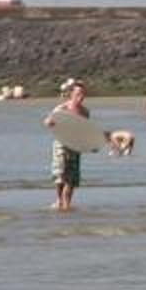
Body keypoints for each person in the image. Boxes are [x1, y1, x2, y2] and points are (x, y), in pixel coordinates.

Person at [46, 81, 90, 212]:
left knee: (72, 178)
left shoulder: (85, 112)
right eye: (78, 94)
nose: (81, 96)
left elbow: (86, 130)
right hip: (62, 144)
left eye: (83, 94)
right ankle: (60, 201)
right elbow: (48, 122)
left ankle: (67, 204)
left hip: (75, 146)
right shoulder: (62, 108)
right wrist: (52, 122)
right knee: (60, 175)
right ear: (71, 94)